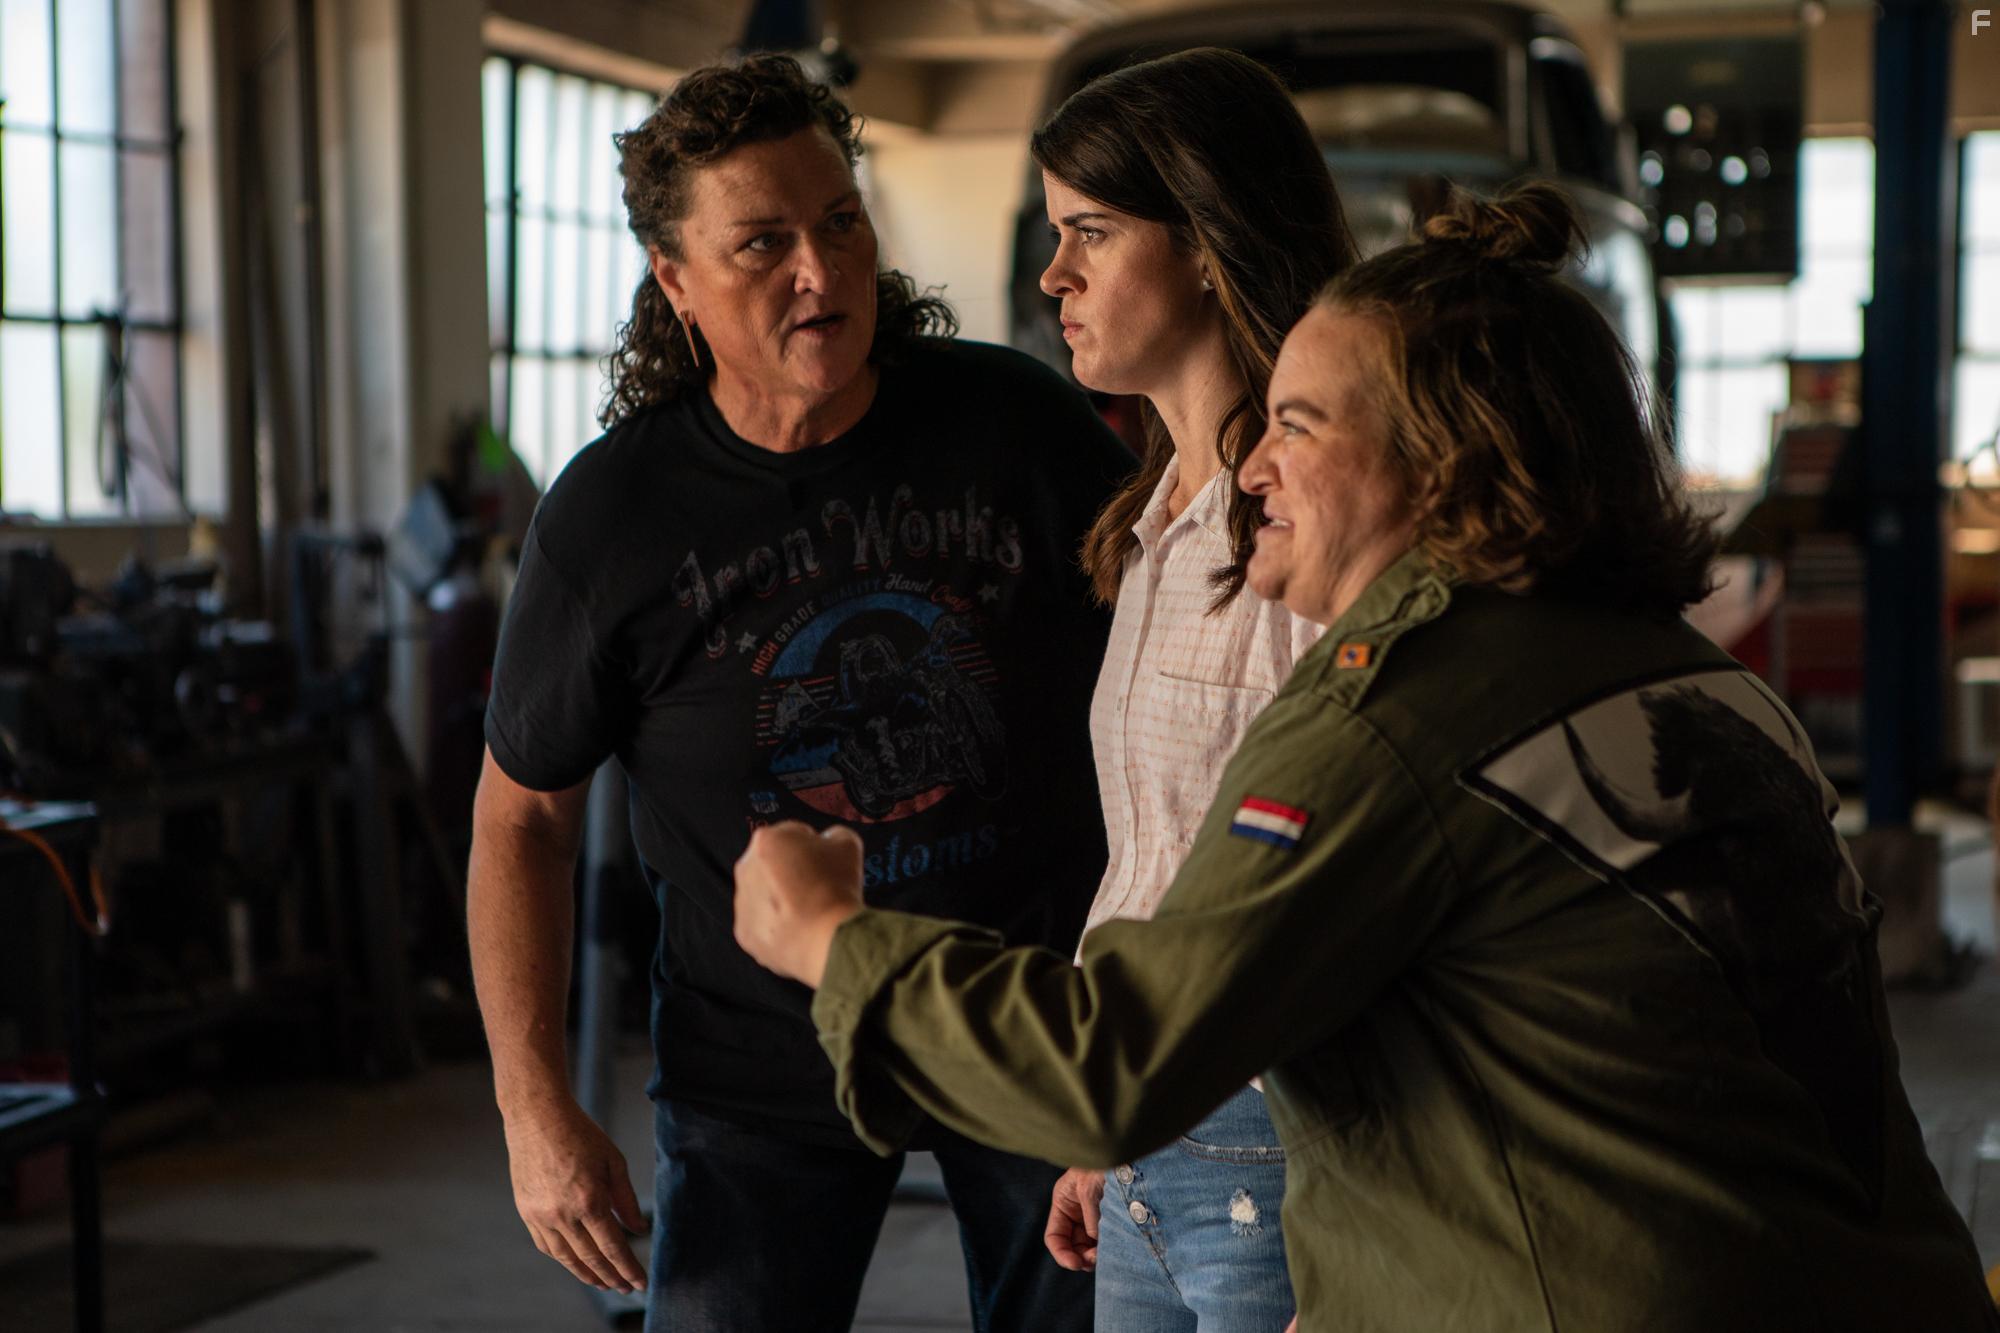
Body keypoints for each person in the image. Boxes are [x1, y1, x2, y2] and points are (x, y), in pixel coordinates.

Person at [731, 182, 2000, 1332]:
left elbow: (1110, 1064)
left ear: (1442, 461)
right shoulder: (1697, 677)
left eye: (1296, 424)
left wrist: (831, 937)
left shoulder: (1399, 709)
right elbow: (1580, 1067)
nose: (1256, 465)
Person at [468, 54, 1129, 1333]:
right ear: (675, 281)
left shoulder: (1016, 427)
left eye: (838, 221)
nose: (820, 273)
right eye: (761, 243)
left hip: (1030, 1028)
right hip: (760, 1069)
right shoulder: (611, 521)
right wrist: (531, 1104)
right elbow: (521, 820)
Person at [1027, 47, 1354, 1332]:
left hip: (1271, 1127)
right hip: (1145, 1122)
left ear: (1208, 242)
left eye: (1091, 233)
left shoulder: (1302, 519)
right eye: (1057, 236)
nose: (1054, 276)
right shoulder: (1158, 520)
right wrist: (1096, 1133)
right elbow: (1155, 861)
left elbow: (1335, 873)